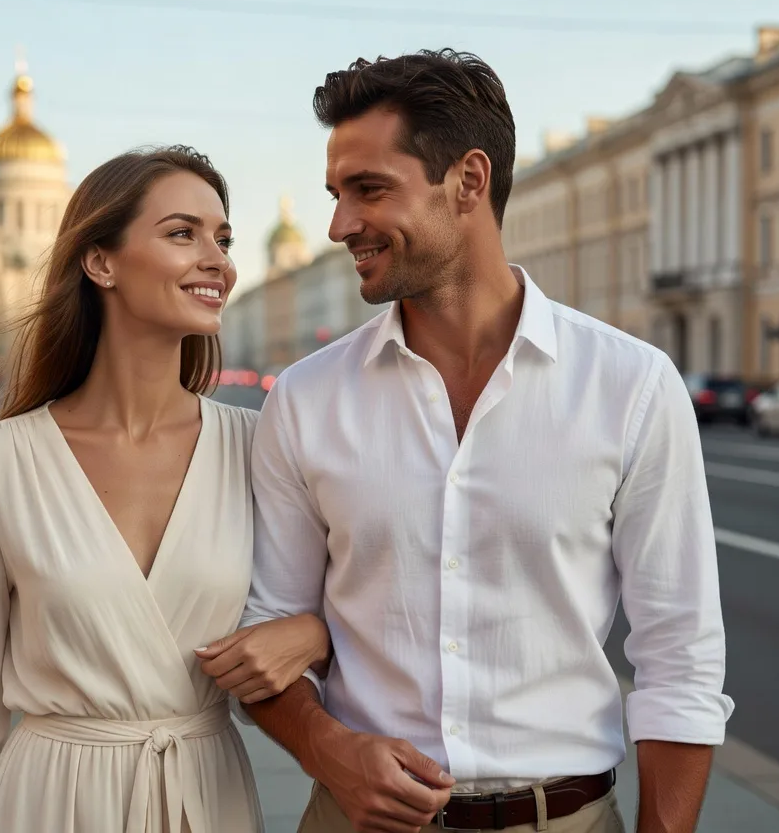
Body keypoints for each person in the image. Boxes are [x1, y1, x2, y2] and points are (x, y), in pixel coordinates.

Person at [234, 51, 732, 833]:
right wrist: (325, 747)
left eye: (369, 190)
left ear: (469, 180)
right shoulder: (306, 397)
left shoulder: (631, 386)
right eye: (336, 194)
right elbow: (269, 634)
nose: (339, 225)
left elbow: (679, 655)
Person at [0, 146, 330, 832]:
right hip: (50, 801)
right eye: (182, 233)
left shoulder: (256, 447)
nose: (219, 260)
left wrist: (313, 632)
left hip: (206, 799)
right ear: (101, 261)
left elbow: (352, 607)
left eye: (222, 238)